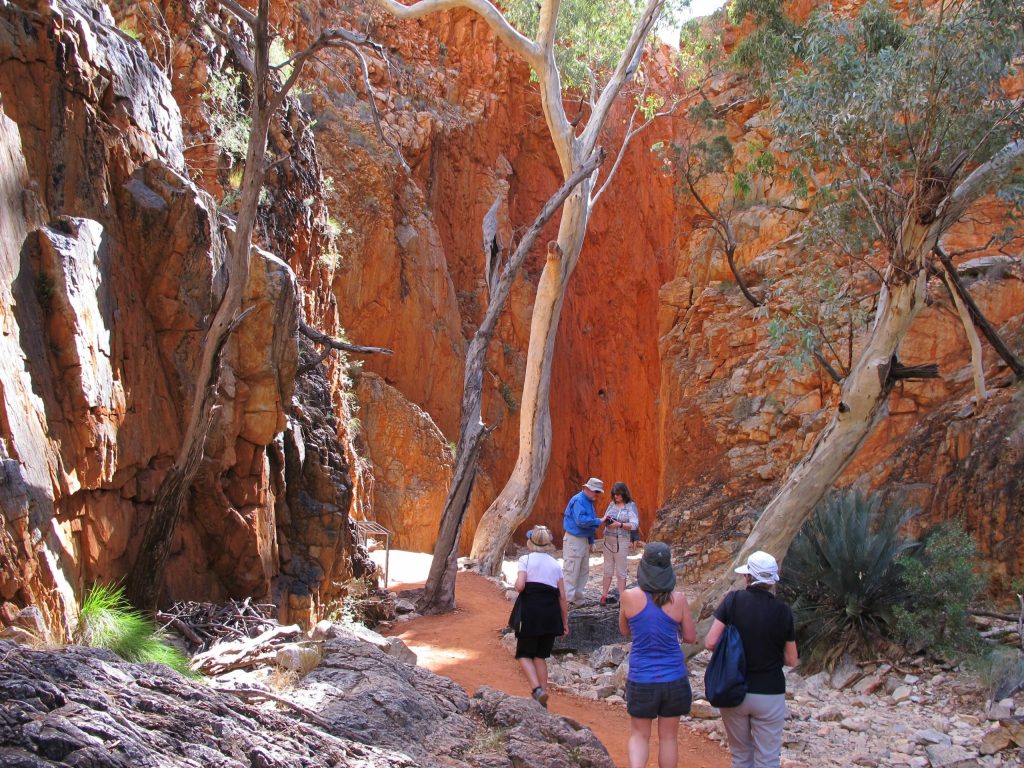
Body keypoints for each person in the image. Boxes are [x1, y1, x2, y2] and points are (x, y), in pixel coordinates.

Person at [705, 551, 799, 768]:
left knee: (740, 756)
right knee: (767, 758)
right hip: (770, 691)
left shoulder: (733, 601)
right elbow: (792, 659)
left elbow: (710, 641)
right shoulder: (783, 611)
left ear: (748, 577)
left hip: (734, 686)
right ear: (772, 581)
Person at [619, 542, 696, 768]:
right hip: (673, 678)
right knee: (669, 738)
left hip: (642, 677)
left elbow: (625, 631)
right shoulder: (679, 599)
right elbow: (690, 637)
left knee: (639, 735)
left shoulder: (629, 597)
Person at [515, 525, 569, 708]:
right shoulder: (555, 565)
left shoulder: (526, 559)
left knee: (524, 654)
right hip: (551, 614)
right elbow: (563, 597)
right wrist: (565, 622)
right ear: (548, 544)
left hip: (531, 613)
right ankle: (542, 697)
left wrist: (517, 582)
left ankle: (537, 690)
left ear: (531, 541)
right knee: (540, 656)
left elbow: (520, 586)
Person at [561, 477, 604, 604]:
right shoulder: (579, 500)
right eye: (596, 492)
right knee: (572, 570)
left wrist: (591, 541)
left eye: (598, 492)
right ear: (588, 489)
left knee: (583, 570)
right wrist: (599, 521)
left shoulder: (588, 501)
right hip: (574, 540)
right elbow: (581, 521)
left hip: (583, 540)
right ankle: (568, 601)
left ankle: (577, 599)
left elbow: (587, 524)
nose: (598, 495)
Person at [600, 481, 640, 606]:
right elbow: (605, 517)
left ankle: (622, 598)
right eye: (614, 494)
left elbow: (634, 524)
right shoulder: (611, 505)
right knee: (607, 569)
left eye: (618, 494)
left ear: (624, 493)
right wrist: (607, 522)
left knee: (621, 570)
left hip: (621, 541)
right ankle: (604, 595)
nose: (616, 496)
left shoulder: (630, 506)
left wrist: (620, 524)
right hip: (607, 540)